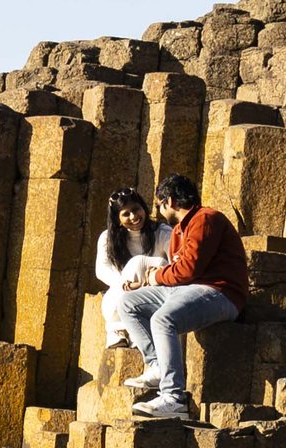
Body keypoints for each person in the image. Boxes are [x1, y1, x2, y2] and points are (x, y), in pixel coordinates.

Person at [113, 173, 250, 420]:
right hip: (188, 289)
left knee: (163, 319)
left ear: (170, 201)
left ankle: (173, 399)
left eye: (159, 204)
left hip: (220, 292)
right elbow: (178, 272)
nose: (158, 210)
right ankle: (157, 365)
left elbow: (187, 270)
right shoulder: (178, 231)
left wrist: (156, 277)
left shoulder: (206, 219)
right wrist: (155, 278)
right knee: (128, 303)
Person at [93, 189, 163, 347]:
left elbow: (175, 261)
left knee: (139, 263)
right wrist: (127, 284)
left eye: (136, 209)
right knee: (112, 298)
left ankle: (128, 330)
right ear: (117, 219)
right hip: (124, 289)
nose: (133, 217)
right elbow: (102, 270)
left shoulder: (161, 232)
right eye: (126, 214)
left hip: (155, 287)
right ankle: (121, 330)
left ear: (143, 208)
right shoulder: (107, 238)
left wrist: (150, 279)